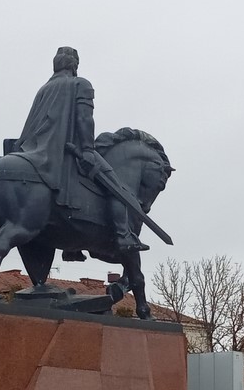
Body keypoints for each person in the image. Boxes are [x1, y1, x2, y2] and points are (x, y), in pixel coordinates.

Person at [12, 46, 146, 255]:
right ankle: (123, 235)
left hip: (34, 148)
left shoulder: (44, 89)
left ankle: (71, 248)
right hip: (64, 148)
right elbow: (85, 119)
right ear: (75, 65)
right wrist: (87, 150)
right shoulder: (80, 84)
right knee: (117, 187)